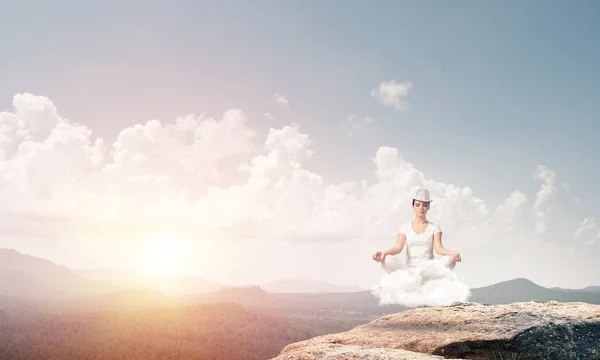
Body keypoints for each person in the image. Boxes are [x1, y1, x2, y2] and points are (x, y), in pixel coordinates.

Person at [372, 188, 462, 274]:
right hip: (409, 270)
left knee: (450, 259)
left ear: (428, 207)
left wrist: (452, 253)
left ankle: (424, 278)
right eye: (418, 205)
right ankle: (419, 279)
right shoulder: (404, 227)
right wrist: (384, 253)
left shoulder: (435, 227)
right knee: (386, 260)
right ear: (413, 206)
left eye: (425, 205)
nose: (421, 208)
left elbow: (439, 249)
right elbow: (398, 248)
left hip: (430, 269)